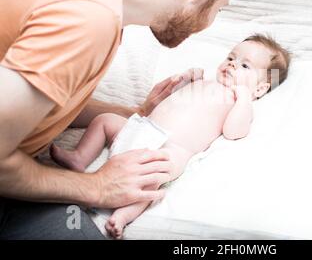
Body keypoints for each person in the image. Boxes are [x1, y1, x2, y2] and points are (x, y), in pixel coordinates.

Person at [0, 0, 245, 239]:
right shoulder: (89, 18)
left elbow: (44, 97)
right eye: (218, 9)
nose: (208, 23)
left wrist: (135, 114)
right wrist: (98, 187)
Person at [50, 34, 292, 239]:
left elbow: (234, 131)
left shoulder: (239, 101)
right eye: (231, 57)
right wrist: (185, 81)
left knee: (153, 180)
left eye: (245, 66)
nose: (231, 64)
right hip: (142, 127)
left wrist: (244, 99)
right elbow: (169, 102)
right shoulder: (206, 82)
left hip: (170, 149)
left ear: (260, 88)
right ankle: (80, 158)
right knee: (105, 120)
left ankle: (122, 216)